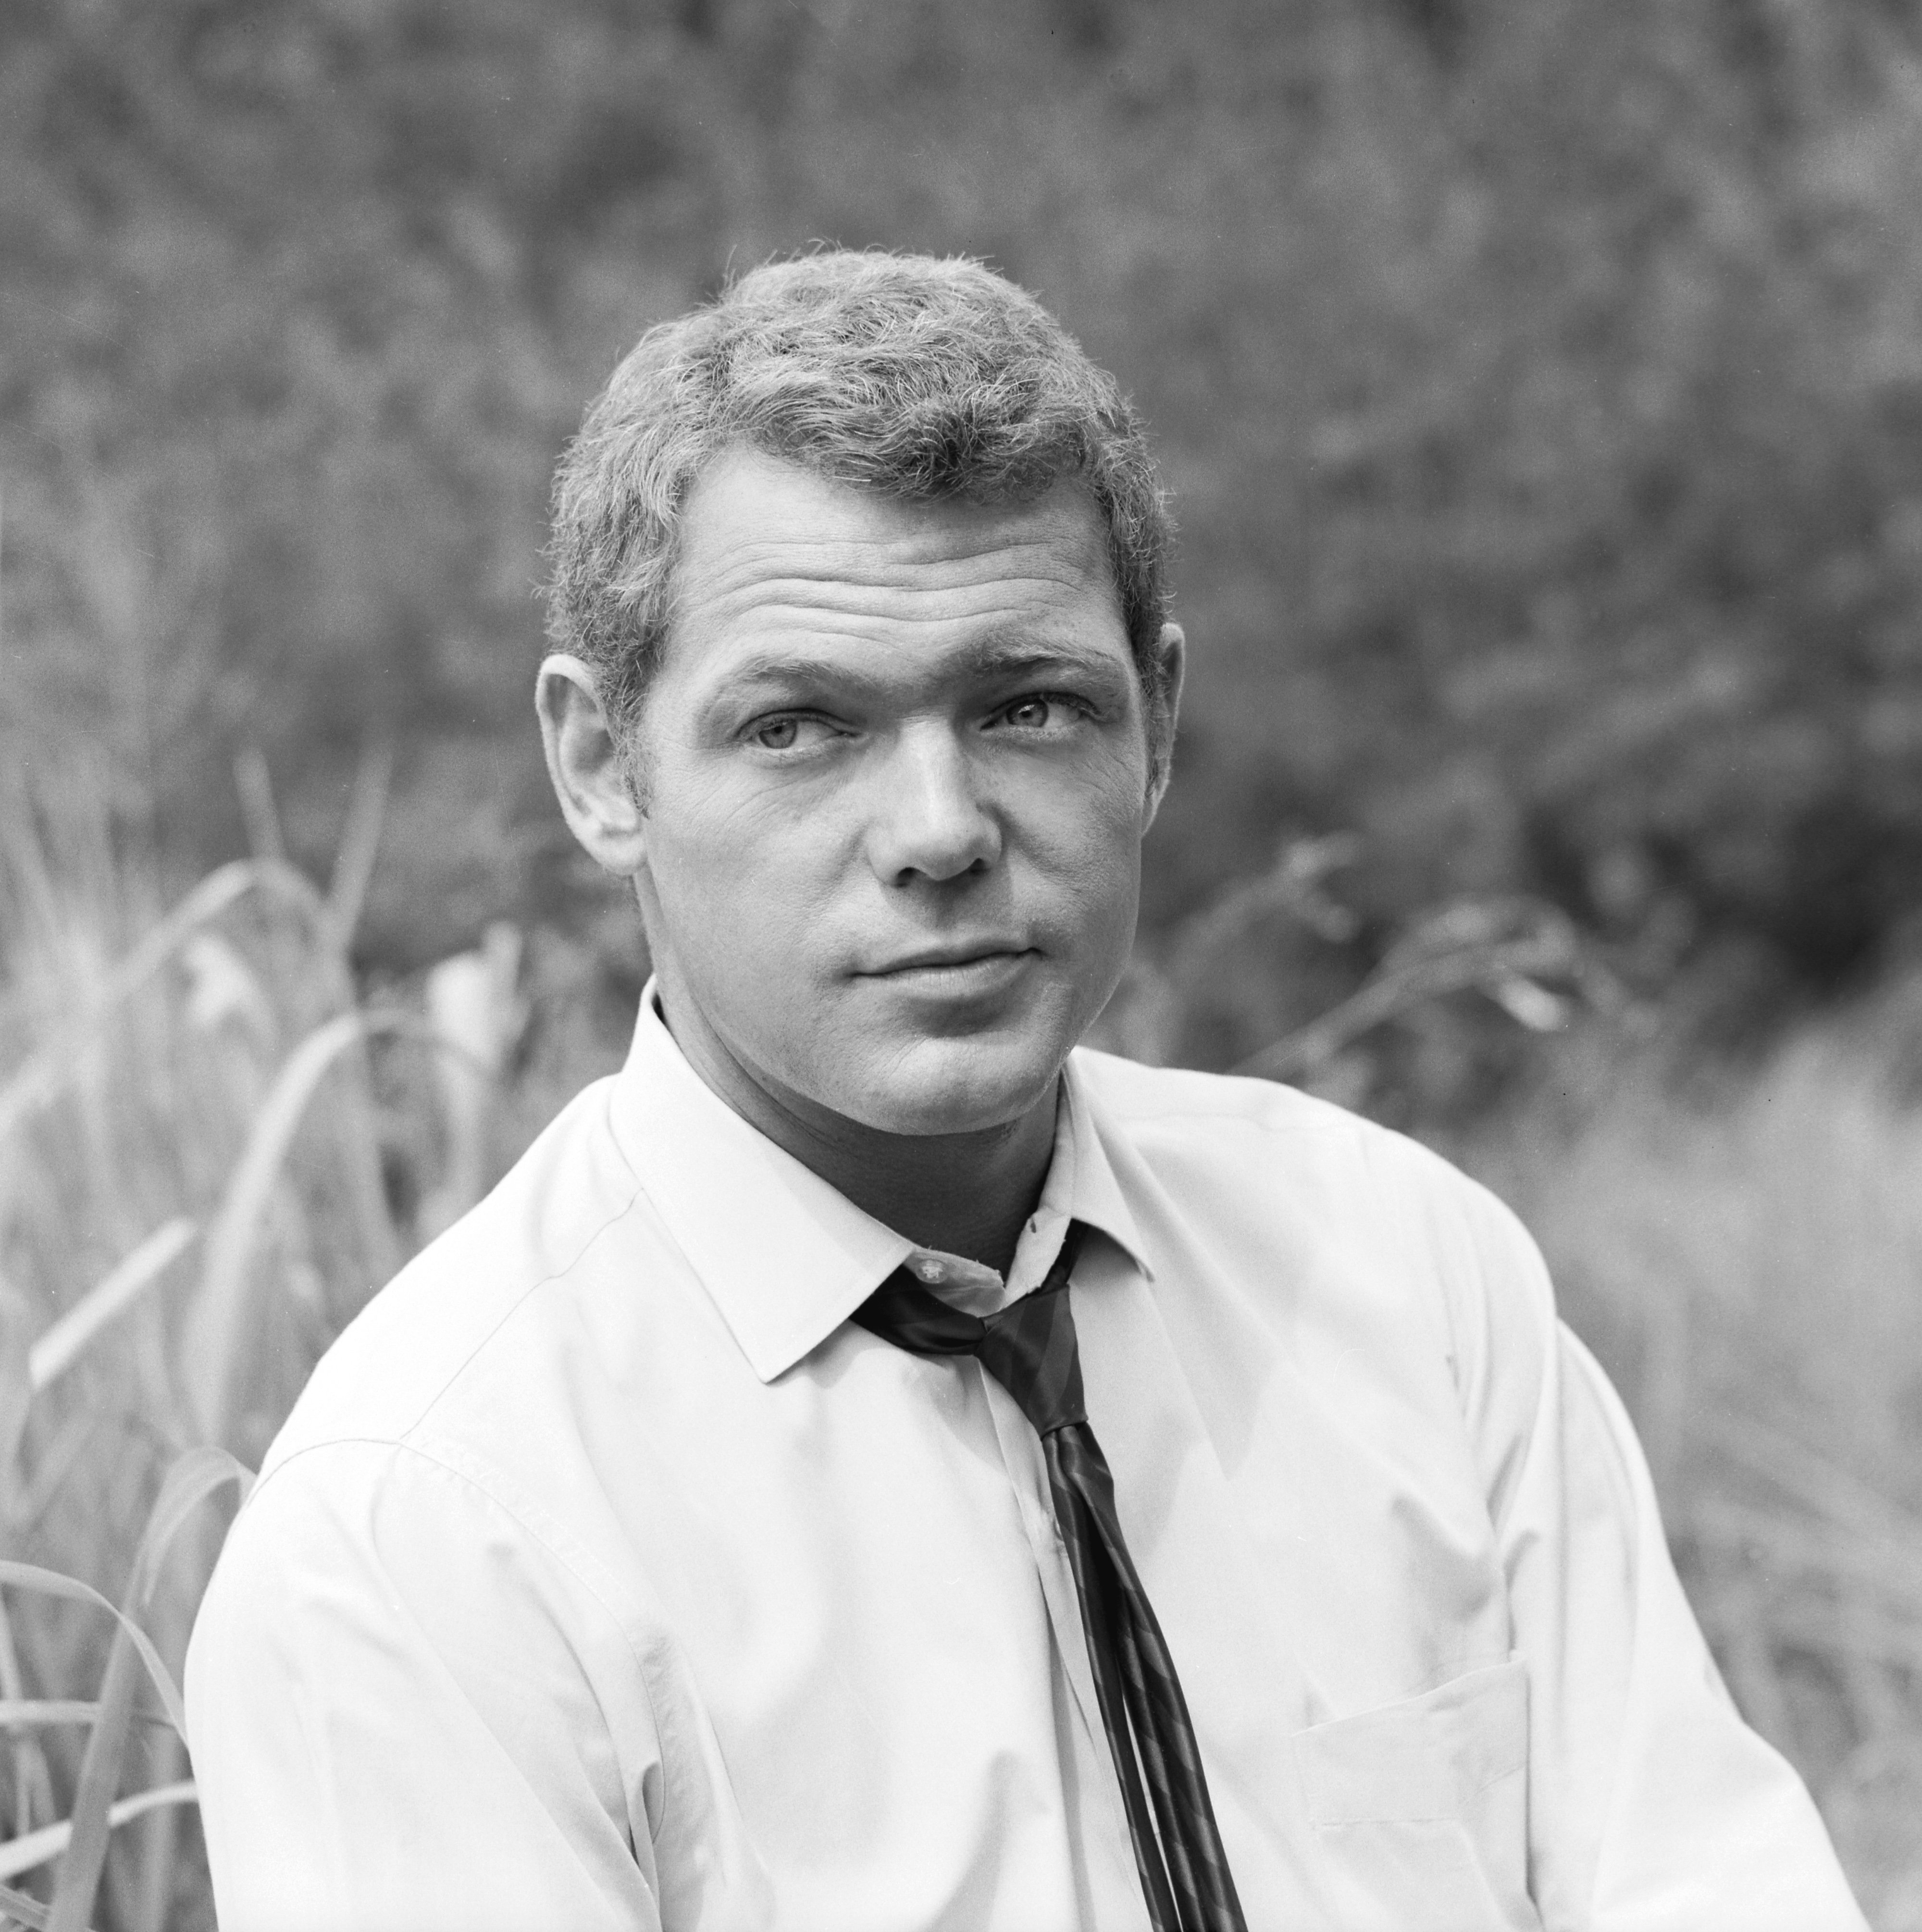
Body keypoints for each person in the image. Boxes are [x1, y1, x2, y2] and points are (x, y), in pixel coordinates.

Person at [184, 250, 1864, 1932]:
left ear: (1159, 727)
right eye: (800, 728)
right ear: (602, 767)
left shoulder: (1404, 1273)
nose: (939, 828)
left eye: (1030, 706)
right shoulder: (427, 1533)